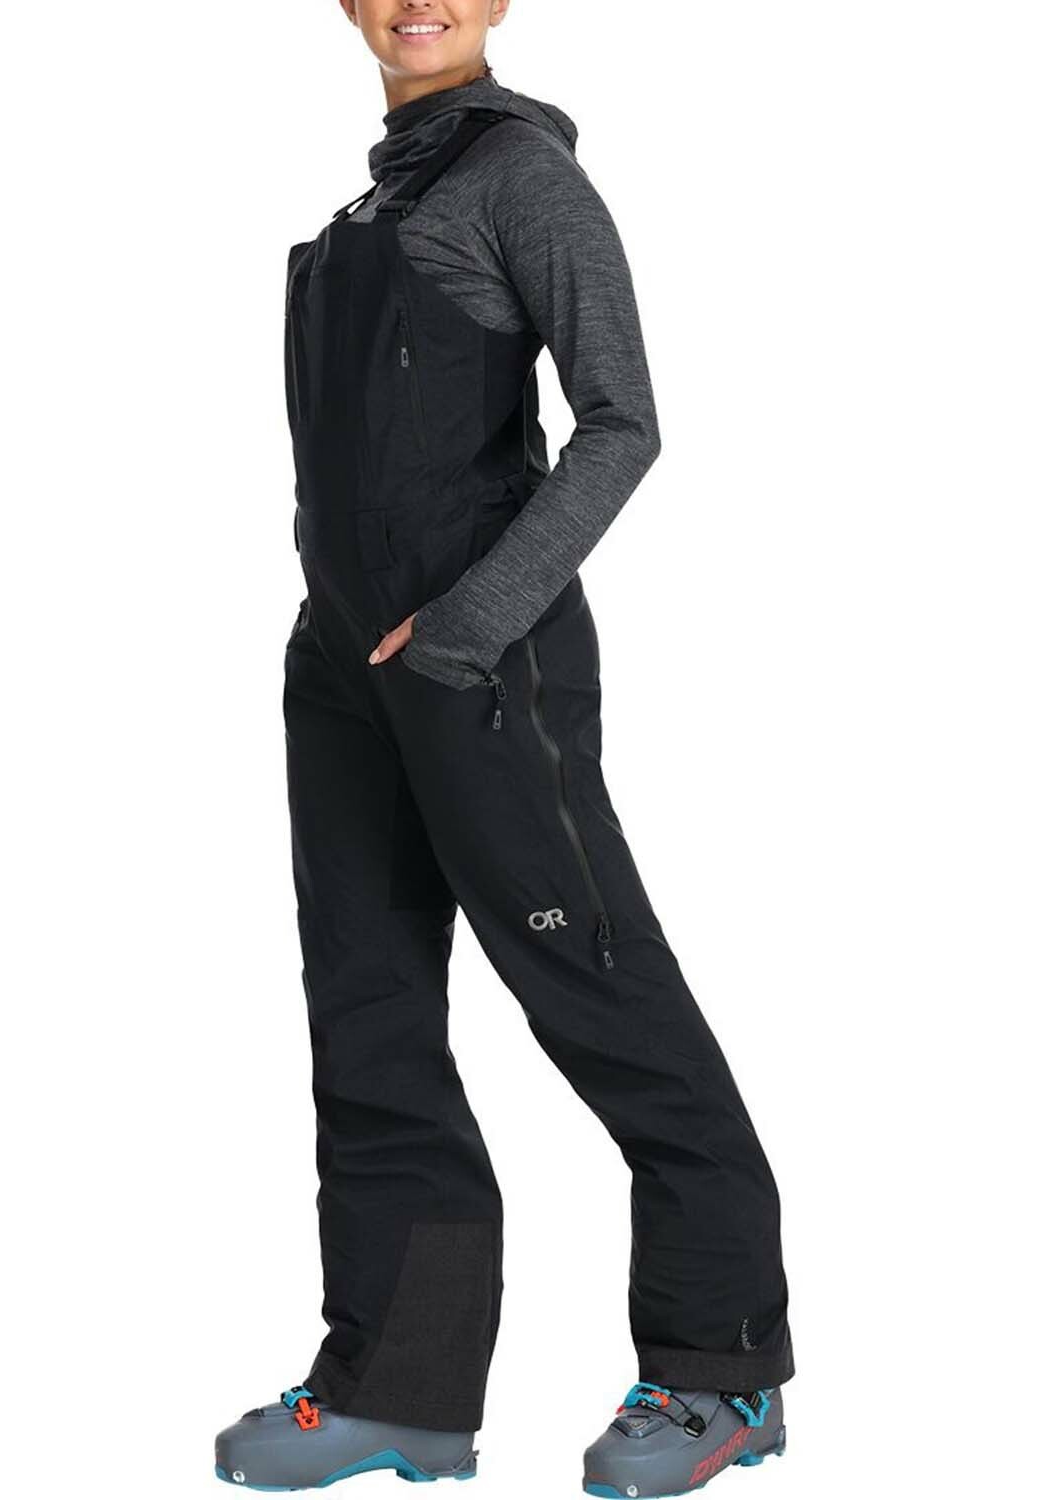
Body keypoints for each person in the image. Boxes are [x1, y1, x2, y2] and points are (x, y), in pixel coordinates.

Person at [214, 4, 794, 1495]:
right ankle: (399, 1389)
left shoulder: (524, 177)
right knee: (370, 1014)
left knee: (602, 997)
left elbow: (623, 424)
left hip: (481, 662)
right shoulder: (374, 201)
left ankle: (720, 1370)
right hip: (345, 669)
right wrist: (336, 634)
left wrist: (469, 625)